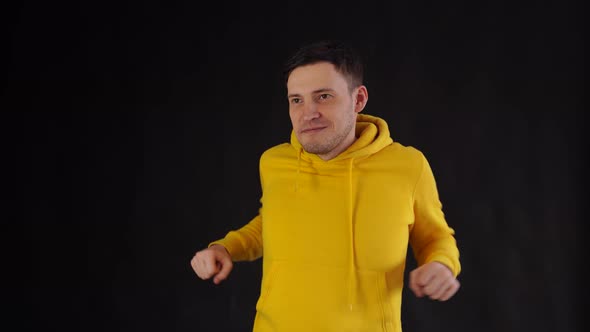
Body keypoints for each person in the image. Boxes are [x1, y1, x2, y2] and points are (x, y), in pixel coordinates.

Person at [191, 40, 461, 331]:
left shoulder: (407, 166)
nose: (308, 113)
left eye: (323, 96)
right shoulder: (274, 162)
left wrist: (442, 264)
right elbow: (271, 222)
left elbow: (435, 238)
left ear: (358, 100)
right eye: (297, 100)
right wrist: (225, 248)